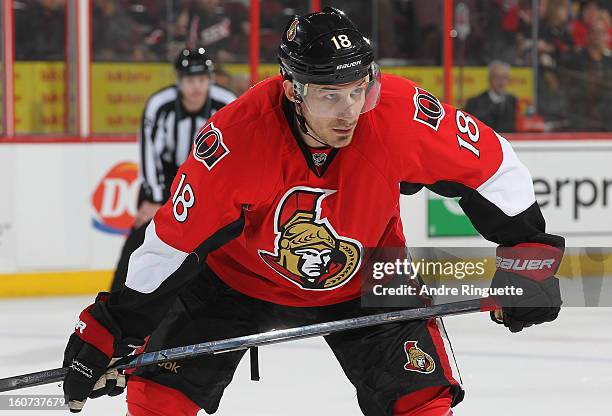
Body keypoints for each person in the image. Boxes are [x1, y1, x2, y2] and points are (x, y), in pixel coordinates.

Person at [62, 8, 564, 416]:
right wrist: (110, 328)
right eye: (330, 95)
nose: (349, 110)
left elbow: (495, 167)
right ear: (293, 89)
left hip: (368, 272)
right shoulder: (235, 141)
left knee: (421, 403)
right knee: (157, 401)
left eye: (358, 89)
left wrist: (530, 260)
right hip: (234, 281)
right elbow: (170, 245)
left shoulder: (397, 115)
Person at [109, 47, 236, 292]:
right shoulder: (160, 105)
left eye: (201, 79)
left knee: (218, 243)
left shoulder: (227, 104)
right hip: (166, 178)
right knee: (141, 238)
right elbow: (149, 152)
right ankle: (118, 298)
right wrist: (154, 198)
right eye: (190, 80)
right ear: (179, 81)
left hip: (210, 180)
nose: (196, 87)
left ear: (209, 79)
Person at [465, 61, 518, 133]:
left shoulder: (513, 101)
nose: (501, 82)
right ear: (490, 79)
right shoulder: (475, 103)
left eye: (504, 77)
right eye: (497, 77)